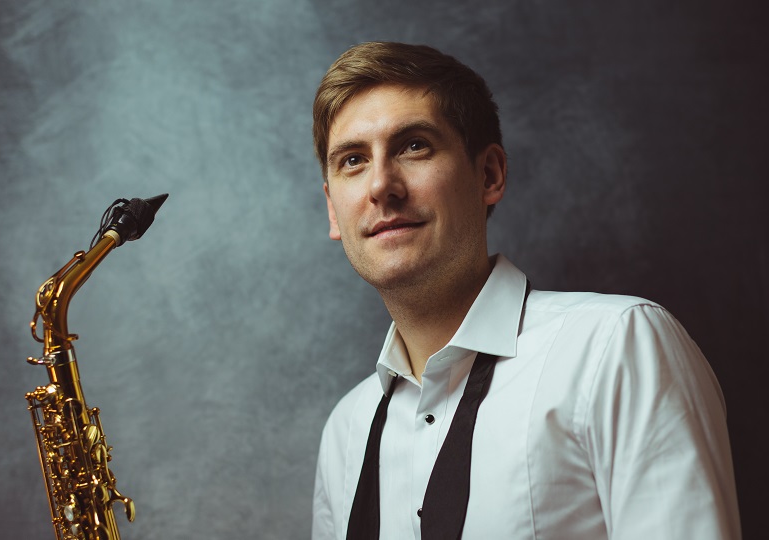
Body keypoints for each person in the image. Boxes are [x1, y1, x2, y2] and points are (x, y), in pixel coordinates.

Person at [311, 41, 741, 540]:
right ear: (333, 210)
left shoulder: (615, 348)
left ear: (489, 174)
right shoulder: (346, 432)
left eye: (414, 146)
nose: (380, 186)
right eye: (353, 160)